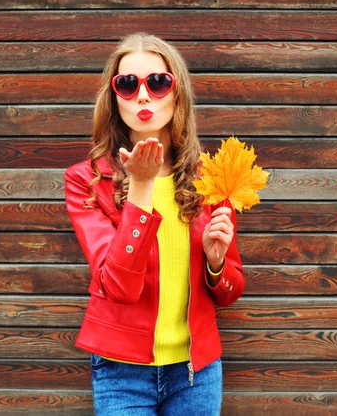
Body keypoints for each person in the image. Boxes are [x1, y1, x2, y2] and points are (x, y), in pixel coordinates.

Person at [64, 32, 244, 415]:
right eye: (127, 85)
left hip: (196, 372)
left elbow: (230, 290)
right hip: (121, 372)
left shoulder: (211, 177)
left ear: (177, 94)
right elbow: (117, 287)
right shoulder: (86, 180)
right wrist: (141, 187)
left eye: (158, 82)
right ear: (113, 99)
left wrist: (216, 264)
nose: (143, 95)